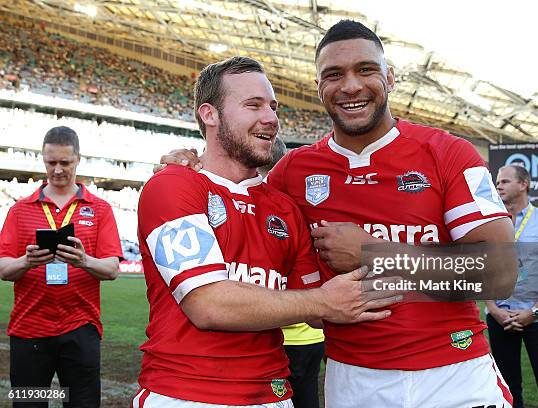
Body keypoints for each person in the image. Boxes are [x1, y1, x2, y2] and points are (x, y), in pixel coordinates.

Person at [161, 21, 518, 408]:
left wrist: (372, 252)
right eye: (334, 75)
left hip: (456, 374)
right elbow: (232, 196)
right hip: (354, 379)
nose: (350, 86)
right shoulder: (292, 173)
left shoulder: (448, 153)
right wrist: (186, 171)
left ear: (390, 78)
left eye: (365, 70)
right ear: (319, 88)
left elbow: (500, 273)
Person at [134, 56, 401, 407]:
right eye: (253, 105)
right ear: (209, 114)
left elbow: (322, 311)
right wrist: (324, 301)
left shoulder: (284, 208)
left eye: (273, 107)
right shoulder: (173, 185)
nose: (271, 118)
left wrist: (380, 255)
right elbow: (208, 304)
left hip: (275, 394)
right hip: (187, 394)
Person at [0, 126, 122, 408]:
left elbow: (112, 269)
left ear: (78, 159)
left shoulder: (100, 209)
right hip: (29, 329)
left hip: (81, 328)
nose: (57, 170)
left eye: (65, 163)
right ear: (43, 160)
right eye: (50, 162)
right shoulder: (20, 210)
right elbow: (4, 269)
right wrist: (26, 262)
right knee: (29, 404)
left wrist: (83, 261)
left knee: (82, 403)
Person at [487, 164, 538, 408]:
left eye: (504, 181)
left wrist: (534, 311)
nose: (498, 185)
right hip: (499, 318)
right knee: (507, 391)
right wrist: (494, 310)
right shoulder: (488, 223)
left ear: (523, 184)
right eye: (497, 182)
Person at [260, 137, 325, 408]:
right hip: (315, 334)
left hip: (281, 335)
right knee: (308, 397)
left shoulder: (267, 206)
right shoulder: (304, 203)